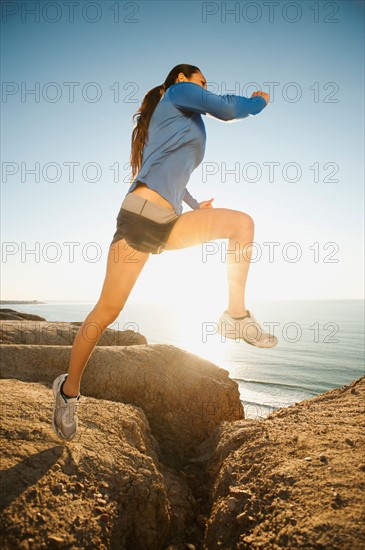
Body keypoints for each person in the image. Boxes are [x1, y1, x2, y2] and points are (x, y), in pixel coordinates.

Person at [52, 63, 278, 441]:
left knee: (241, 225)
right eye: (201, 82)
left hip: (168, 222)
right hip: (140, 219)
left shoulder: (182, 118)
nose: (205, 87)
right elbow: (227, 108)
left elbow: (170, 167)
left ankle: (235, 316)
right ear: (181, 79)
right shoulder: (176, 94)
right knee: (107, 311)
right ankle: (68, 390)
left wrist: (193, 205)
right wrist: (258, 101)